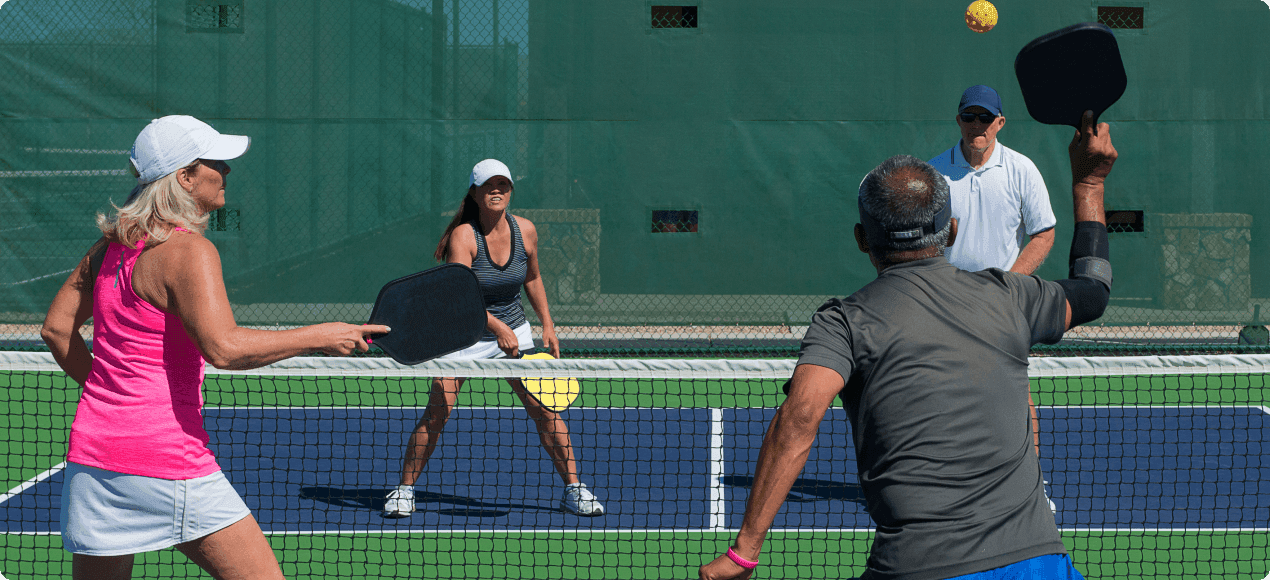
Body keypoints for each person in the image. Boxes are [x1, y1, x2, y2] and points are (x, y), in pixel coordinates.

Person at [700, 111, 1116, 580]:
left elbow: (798, 419)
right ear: (951, 230)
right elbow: (1094, 289)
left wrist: (744, 553)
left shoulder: (843, 322)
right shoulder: (1011, 297)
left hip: (916, 569)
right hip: (1038, 564)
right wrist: (1089, 185)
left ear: (862, 239)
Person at [41, 115, 387, 580]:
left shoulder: (109, 248)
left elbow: (57, 330)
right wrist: (320, 335)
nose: (227, 171)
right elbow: (223, 349)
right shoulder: (190, 251)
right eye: (217, 162)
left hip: (94, 461)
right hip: (166, 458)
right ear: (184, 176)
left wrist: (113, 394)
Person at [383, 159, 605, 518]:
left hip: (514, 330)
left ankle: (574, 489)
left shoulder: (526, 231)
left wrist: (547, 323)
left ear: (511, 191)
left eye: (502, 185)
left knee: (545, 410)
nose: (496, 191)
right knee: (438, 410)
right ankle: (404, 490)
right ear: (475, 192)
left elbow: (532, 278)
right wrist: (495, 328)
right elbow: (459, 296)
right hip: (463, 334)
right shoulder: (464, 237)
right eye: (489, 185)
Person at [929, 84, 1058, 491]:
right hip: (946, 305)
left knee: (1014, 394)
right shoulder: (934, 174)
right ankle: (949, 482)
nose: (977, 126)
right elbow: (924, 241)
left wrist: (1010, 284)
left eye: (986, 118)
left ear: (1000, 123)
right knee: (943, 395)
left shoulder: (1022, 170)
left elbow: (1044, 233)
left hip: (1003, 302)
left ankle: (1028, 485)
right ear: (959, 121)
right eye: (970, 117)